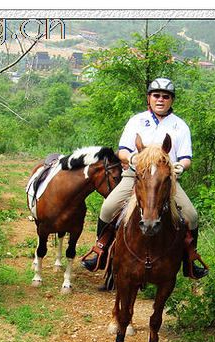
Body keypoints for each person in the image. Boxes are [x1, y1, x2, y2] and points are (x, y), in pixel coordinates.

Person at [82, 77, 208, 280]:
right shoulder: (136, 121)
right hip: (135, 175)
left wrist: (179, 167)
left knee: (191, 216)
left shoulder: (180, 126)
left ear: (171, 100)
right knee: (108, 208)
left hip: (165, 180)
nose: (160, 100)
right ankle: (101, 250)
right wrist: (131, 157)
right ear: (149, 98)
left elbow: (186, 158)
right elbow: (122, 151)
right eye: (156, 95)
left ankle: (189, 259)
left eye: (165, 97)